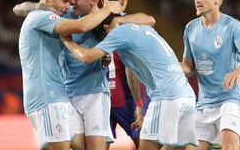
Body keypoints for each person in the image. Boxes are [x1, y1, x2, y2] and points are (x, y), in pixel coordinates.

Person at [61, 15, 198, 150]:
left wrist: (67, 41)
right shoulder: (143, 29)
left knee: (146, 147)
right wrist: (139, 104)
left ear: (106, 28)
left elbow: (86, 57)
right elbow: (132, 70)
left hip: (166, 98)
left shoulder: (119, 33)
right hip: (187, 95)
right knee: (177, 147)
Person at [17, 0, 121, 150]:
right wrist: (107, 9)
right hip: (47, 96)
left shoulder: (42, 16)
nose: (68, 6)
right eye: (65, 1)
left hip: (57, 95)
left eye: (71, 0)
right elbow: (81, 26)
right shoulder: (42, 17)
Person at [59, 0, 155, 150]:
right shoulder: (67, 17)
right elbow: (43, 10)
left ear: (94, 0)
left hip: (103, 94)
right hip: (73, 94)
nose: (72, 2)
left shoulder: (108, 18)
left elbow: (149, 19)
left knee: (143, 142)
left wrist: (119, 20)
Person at [181, 0, 240, 150]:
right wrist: (173, 69)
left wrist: (238, 71)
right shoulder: (190, 28)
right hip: (203, 104)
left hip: (229, 100)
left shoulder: (232, 26)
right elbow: (189, 66)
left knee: (228, 147)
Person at [102, 0, 147, 150]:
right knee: (145, 143)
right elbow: (130, 69)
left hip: (100, 98)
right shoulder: (129, 23)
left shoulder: (93, 21)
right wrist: (139, 103)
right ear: (122, 0)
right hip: (124, 98)